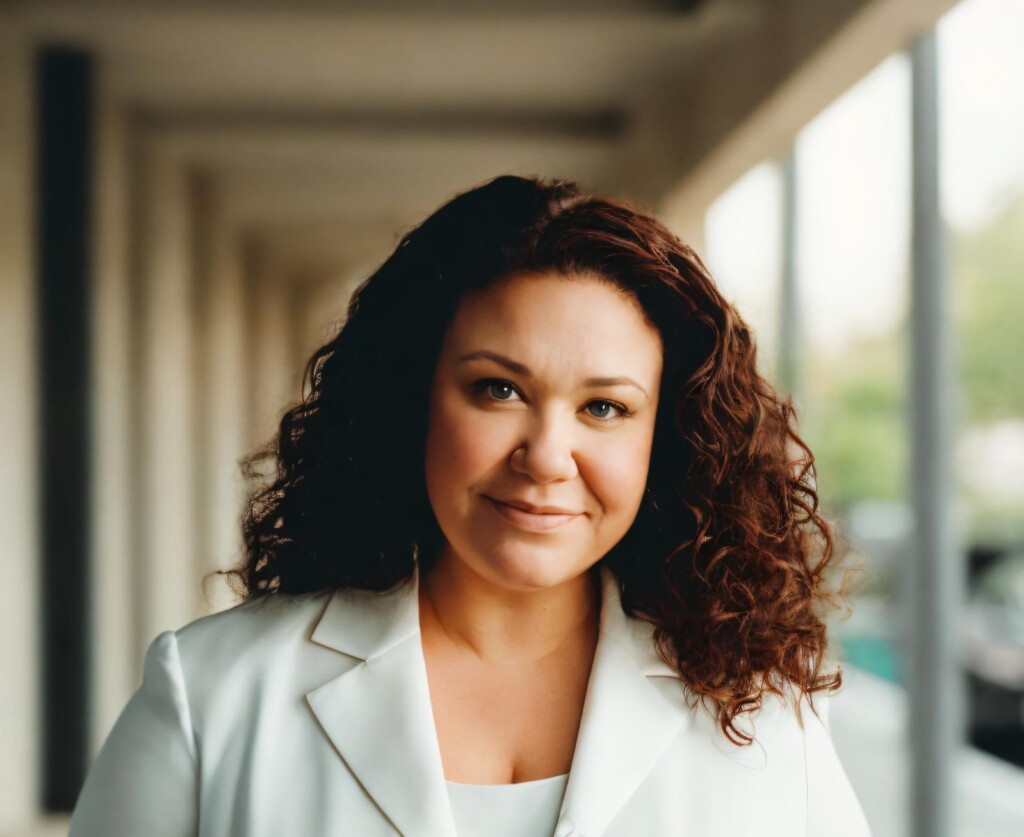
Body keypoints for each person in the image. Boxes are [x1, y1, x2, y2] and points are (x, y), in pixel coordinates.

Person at [69, 174, 871, 836]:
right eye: (499, 389)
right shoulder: (211, 694)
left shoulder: (766, 722)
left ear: (667, 440)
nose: (547, 456)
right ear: (415, 398)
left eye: (605, 408)